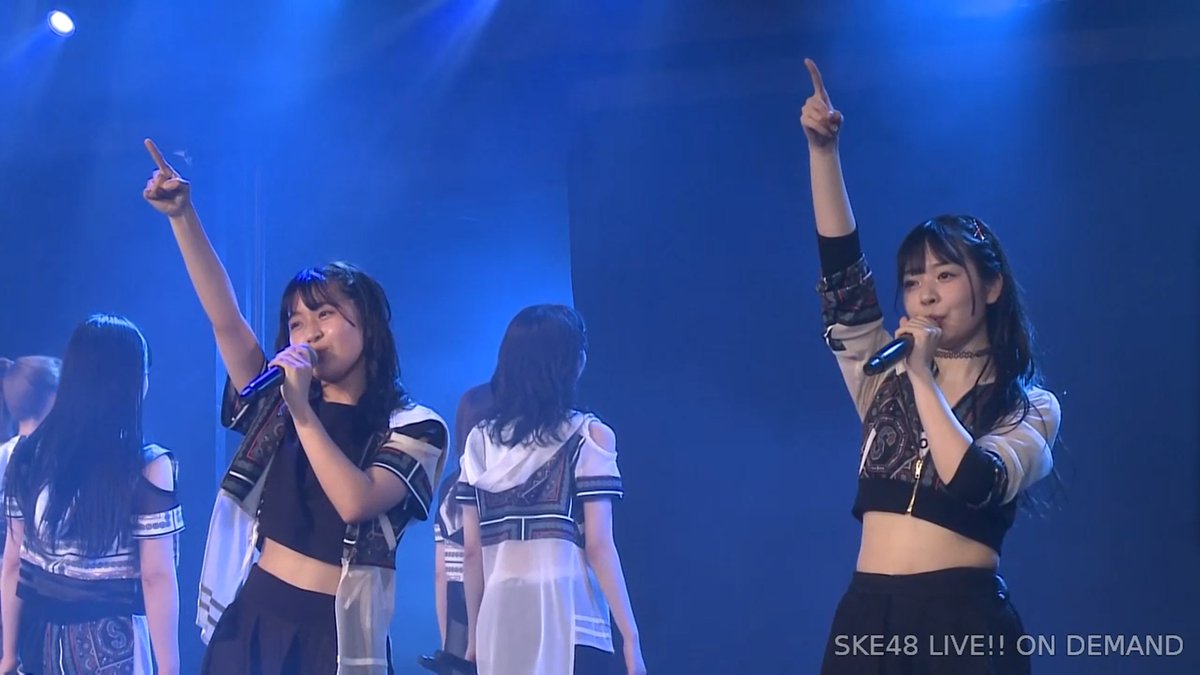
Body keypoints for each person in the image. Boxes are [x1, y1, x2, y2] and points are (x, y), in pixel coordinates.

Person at [141, 138, 448, 675]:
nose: (309, 333)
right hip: (254, 615)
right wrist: (183, 217)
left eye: (325, 315)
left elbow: (356, 501)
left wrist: (301, 410)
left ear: (368, 326)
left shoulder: (414, 426)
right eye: (297, 322)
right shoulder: (278, 401)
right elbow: (225, 318)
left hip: (333, 634)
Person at [800, 59, 1062, 674]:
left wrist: (921, 375)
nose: (926, 294)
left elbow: (974, 482)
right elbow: (843, 277)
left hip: (962, 623)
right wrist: (823, 153)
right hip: (867, 618)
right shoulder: (882, 375)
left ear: (991, 287)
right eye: (915, 281)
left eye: (946, 276)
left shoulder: (1028, 406)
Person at [457, 304, 646, 675]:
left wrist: (474, 637)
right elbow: (599, 545)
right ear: (572, 363)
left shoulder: (478, 442)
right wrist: (631, 636)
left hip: (501, 619)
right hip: (570, 615)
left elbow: (471, 552)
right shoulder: (588, 436)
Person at [0, 314, 182, 675]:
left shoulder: (26, 454)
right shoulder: (147, 466)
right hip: (112, 643)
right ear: (131, 381)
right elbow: (156, 576)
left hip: (39, 639)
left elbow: (12, 562)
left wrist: (8, 654)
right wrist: (170, 668)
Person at [424, 383, 492, 675]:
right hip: (492, 594)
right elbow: (473, 554)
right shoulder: (498, 485)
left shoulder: (449, 488)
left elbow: (441, 573)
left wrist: (446, 643)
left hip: (456, 601)